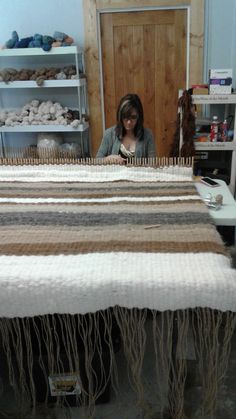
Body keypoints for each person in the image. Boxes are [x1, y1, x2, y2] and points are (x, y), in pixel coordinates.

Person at [96, 93, 156, 163]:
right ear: (120, 116)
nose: (129, 122)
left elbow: (152, 163)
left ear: (139, 117)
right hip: (115, 174)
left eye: (133, 117)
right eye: (125, 117)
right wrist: (108, 159)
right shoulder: (109, 134)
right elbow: (97, 160)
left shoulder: (148, 135)